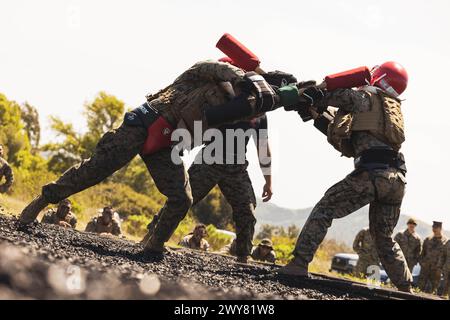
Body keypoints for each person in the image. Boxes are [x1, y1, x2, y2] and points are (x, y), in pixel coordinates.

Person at [19, 60, 299, 259]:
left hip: (164, 146)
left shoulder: (233, 109)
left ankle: (154, 245)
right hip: (142, 126)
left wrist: (270, 97)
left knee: (182, 198)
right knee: (94, 170)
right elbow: (218, 68)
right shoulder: (201, 74)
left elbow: (252, 122)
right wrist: (246, 77)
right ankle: (41, 201)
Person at [279, 61, 414, 292]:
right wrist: (315, 113)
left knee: (326, 207)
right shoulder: (390, 109)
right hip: (396, 179)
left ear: (377, 78)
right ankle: (405, 286)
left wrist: (308, 93)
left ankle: (299, 263)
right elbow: (350, 139)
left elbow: (333, 95)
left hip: (372, 174)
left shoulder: (363, 99)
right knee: (383, 236)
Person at [418, 221, 448, 293]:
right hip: (425, 270)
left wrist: (441, 269)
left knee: (433, 291)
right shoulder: (428, 240)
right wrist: (422, 263)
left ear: (440, 228)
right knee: (419, 289)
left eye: (436, 228)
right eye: (433, 227)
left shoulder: (445, 242)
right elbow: (422, 254)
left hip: (436, 272)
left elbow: (446, 257)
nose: (434, 229)